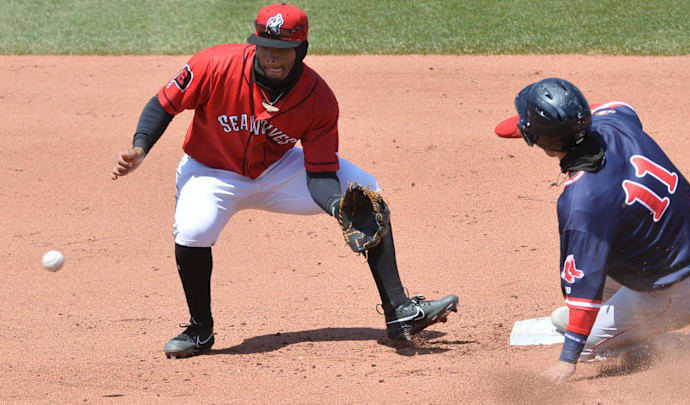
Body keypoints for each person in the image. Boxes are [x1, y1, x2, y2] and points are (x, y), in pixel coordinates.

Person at [111, 3, 458, 359]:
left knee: (365, 190)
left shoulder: (318, 97)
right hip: (210, 171)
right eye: (264, 46)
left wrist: (339, 207)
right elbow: (162, 104)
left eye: (282, 50)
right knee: (193, 230)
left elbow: (321, 174)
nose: (271, 57)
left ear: (301, 50)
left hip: (277, 170)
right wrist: (141, 147)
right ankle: (200, 329)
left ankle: (399, 311)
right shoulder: (215, 64)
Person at [504, 77, 690, 382]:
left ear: (539, 141)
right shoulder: (615, 123)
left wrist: (568, 362)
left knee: (586, 341)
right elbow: (621, 106)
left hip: (680, 292)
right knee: (561, 318)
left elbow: (585, 294)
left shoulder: (582, 202)